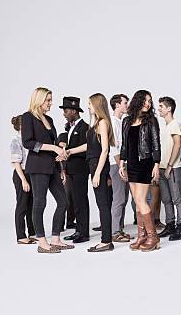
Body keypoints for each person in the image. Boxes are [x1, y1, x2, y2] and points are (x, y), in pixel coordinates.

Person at [20, 87, 71, 253]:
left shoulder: (49, 119)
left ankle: (55, 238)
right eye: (47, 100)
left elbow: (55, 145)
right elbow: (27, 142)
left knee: (63, 201)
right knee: (40, 202)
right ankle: (42, 242)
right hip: (37, 166)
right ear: (38, 100)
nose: (50, 103)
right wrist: (53, 148)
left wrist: (61, 168)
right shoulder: (28, 117)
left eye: (51, 99)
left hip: (53, 167)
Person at [67, 94, 115, 252]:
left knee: (103, 205)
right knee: (102, 204)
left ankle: (106, 241)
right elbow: (90, 145)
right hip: (94, 165)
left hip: (98, 167)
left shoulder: (102, 122)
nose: (88, 106)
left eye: (89, 103)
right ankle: (106, 240)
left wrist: (97, 174)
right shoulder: (96, 124)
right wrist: (70, 151)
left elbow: (104, 150)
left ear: (96, 105)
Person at [119, 89, 162, 252]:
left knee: (141, 200)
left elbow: (156, 144)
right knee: (137, 203)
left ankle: (153, 237)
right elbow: (124, 144)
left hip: (145, 163)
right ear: (138, 101)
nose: (148, 104)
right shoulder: (127, 121)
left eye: (150, 101)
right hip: (131, 164)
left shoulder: (151, 120)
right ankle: (141, 236)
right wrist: (122, 163)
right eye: (145, 100)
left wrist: (156, 164)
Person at [61, 96, 90, 244]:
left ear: (73, 111)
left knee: (81, 200)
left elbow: (87, 150)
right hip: (71, 170)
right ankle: (78, 230)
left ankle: (84, 233)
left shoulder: (85, 127)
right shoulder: (70, 127)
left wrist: (70, 151)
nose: (64, 113)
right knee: (74, 201)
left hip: (80, 170)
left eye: (66, 111)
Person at [156, 96, 181, 241]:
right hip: (162, 168)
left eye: (161, 106)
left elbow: (177, 145)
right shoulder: (165, 126)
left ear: (169, 109)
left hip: (173, 168)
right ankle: (170, 225)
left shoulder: (175, 124)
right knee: (166, 199)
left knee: (177, 199)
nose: (158, 108)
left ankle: (180, 227)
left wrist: (169, 166)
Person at [108, 94, 131, 243]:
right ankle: (114, 231)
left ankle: (119, 229)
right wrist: (121, 167)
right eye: (125, 103)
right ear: (117, 105)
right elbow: (114, 148)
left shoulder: (121, 121)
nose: (127, 105)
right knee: (118, 198)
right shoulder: (112, 122)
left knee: (124, 198)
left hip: (123, 164)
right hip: (116, 165)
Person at [10, 115, 36, 244]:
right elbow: (16, 163)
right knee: (22, 205)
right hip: (22, 175)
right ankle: (21, 236)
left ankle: (32, 233)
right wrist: (23, 180)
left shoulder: (28, 139)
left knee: (31, 204)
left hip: (31, 173)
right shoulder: (16, 141)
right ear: (21, 126)